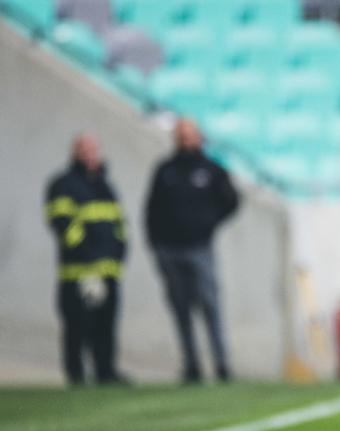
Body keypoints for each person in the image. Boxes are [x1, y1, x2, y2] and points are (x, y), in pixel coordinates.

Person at [146, 118, 239, 383]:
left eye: (190, 135)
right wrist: (155, 243)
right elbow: (151, 209)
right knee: (180, 308)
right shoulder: (165, 171)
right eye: (181, 135)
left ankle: (221, 364)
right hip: (170, 250)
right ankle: (191, 365)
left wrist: (208, 224)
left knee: (210, 305)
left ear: (199, 138)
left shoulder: (211, 170)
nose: (186, 140)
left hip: (199, 248)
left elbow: (231, 201)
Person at [45, 134, 128, 386]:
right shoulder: (62, 184)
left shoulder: (105, 185)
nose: (90, 154)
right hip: (77, 271)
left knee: (106, 325)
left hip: (108, 270)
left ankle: (106, 371)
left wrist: (118, 253)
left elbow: (118, 225)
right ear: (74, 152)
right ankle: (76, 375)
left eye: (93, 149)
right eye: (84, 149)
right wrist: (87, 256)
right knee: (76, 325)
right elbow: (63, 223)